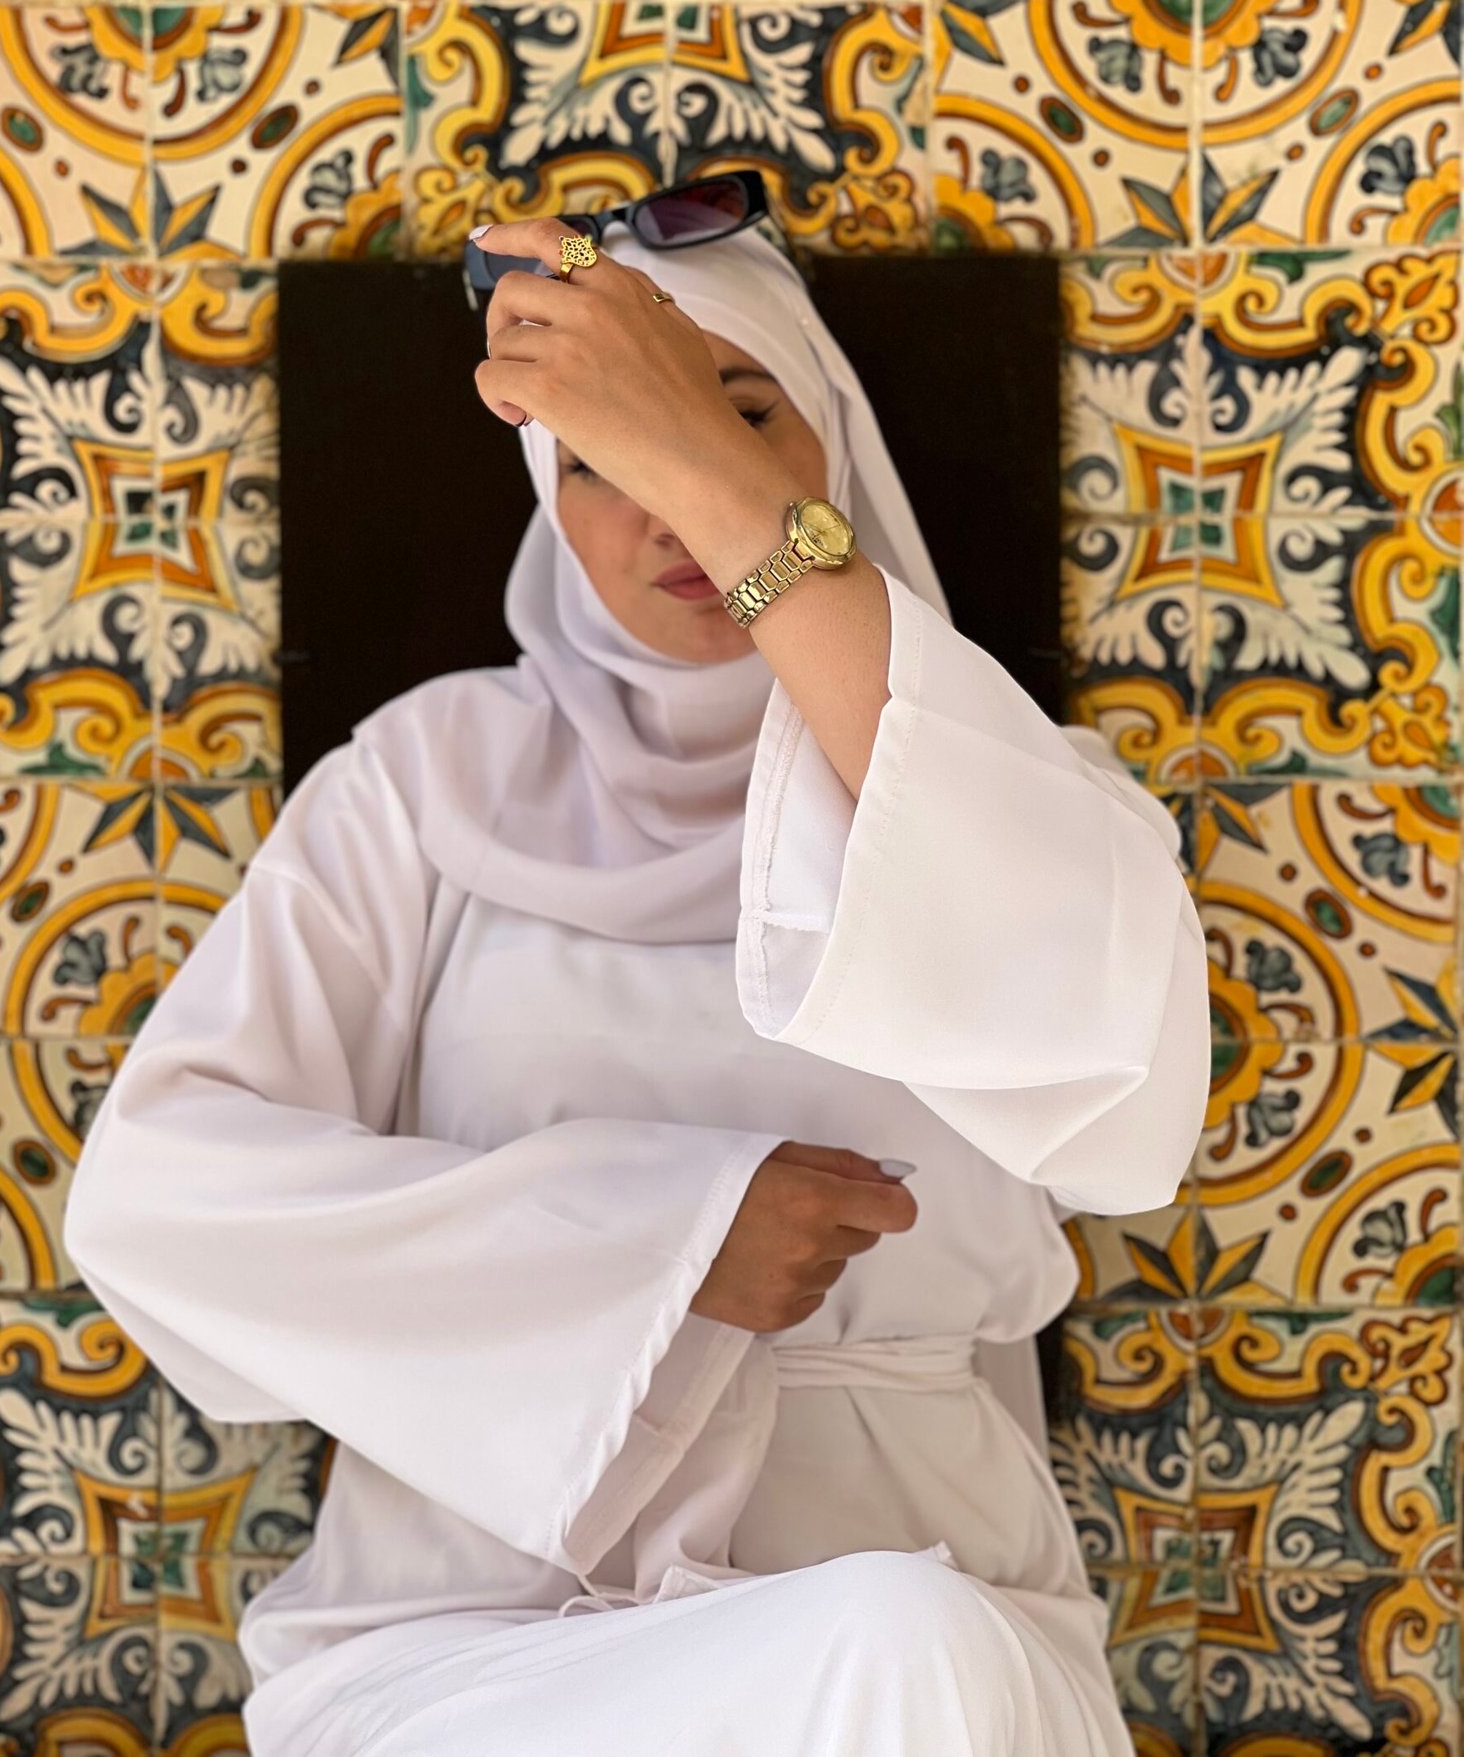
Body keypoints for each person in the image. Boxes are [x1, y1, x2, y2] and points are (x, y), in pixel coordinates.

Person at [63, 215, 1209, 1757]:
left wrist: (743, 515)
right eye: (603, 455)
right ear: (548, 498)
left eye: (737, 413)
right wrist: (659, 1242)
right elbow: (162, 1201)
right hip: (474, 1641)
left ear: (830, 445)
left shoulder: (1018, 794)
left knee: (902, 1643)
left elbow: (1128, 1105)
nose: (668, 495)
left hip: (924, 1615)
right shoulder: (424, 782)